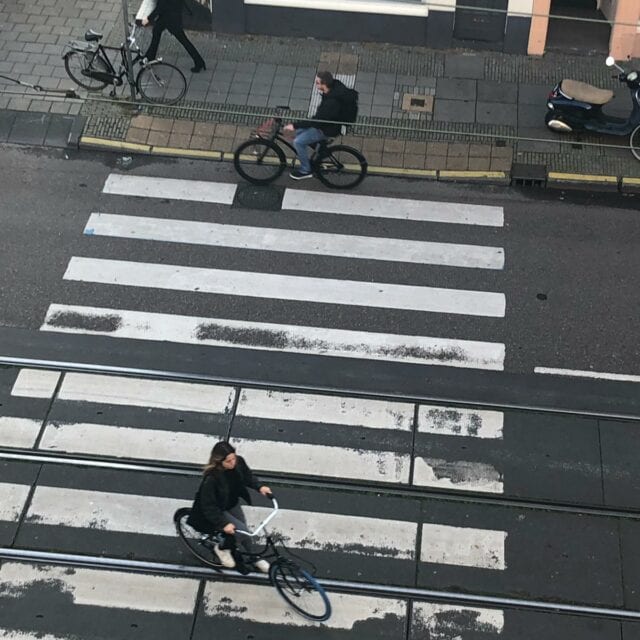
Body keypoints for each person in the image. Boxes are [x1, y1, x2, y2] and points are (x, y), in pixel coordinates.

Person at [187, 441, 272, 572]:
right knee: (240, 532)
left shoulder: (238, 462)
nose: (233, 463)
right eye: (228, 461)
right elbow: (209, 506)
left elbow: (247, 476)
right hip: (219, 509)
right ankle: (221, 548)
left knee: (245, 534)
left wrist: (259, 487)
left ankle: (255, 557)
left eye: (234, 458)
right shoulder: (212, 478)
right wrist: (223, 523)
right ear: (219, 462)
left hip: (232, 503)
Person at [284, 71, 353, 180]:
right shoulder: (332, 90)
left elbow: (317, 121)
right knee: (297, 133)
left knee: (298, 142)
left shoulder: (331, 102)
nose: (315, 85)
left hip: (326, 130)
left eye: (317, 83)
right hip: (326, 124)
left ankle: (305, 170)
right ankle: (320, 149)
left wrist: (295, 125)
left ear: (324, 84)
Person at [142, 0, 205, 73]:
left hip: (170, 18)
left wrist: (148, 19)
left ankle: (199, 61)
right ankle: (150, 57)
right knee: (156, 31)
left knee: (184, 40)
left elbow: (161, 6)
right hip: (170, 14)